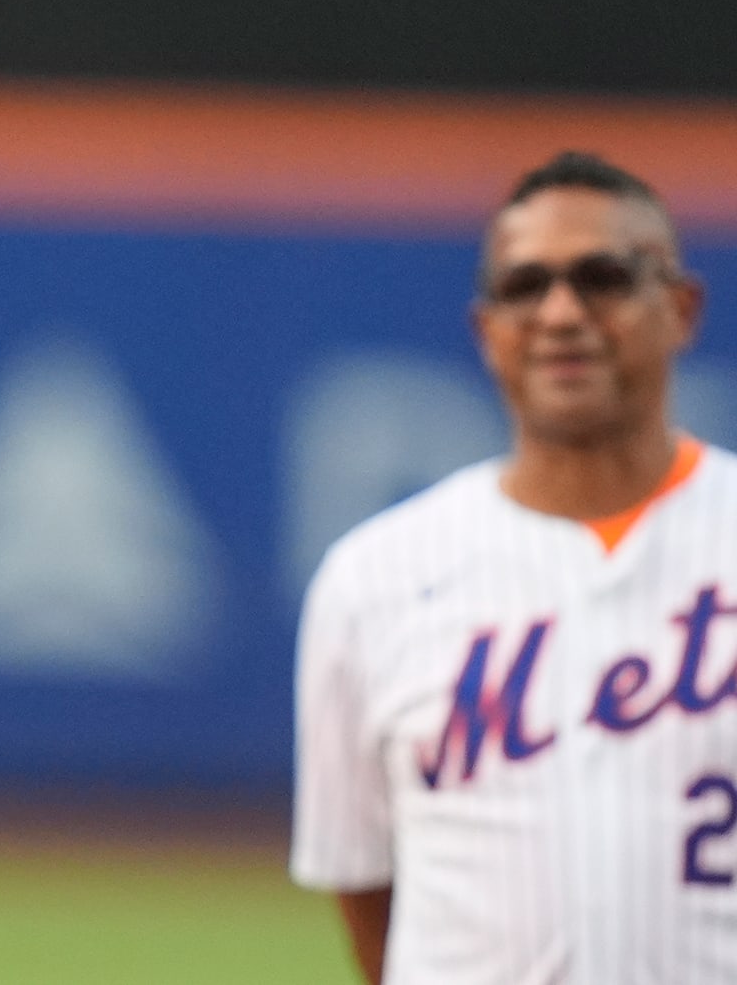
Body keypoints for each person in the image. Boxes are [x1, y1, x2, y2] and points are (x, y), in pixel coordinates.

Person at [293, 150, 737, 983]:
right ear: (486, 328)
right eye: (525, 285)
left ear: (682, 308)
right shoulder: (373, 578)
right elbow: (365, 886)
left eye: (604, 277)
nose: (561, 312)